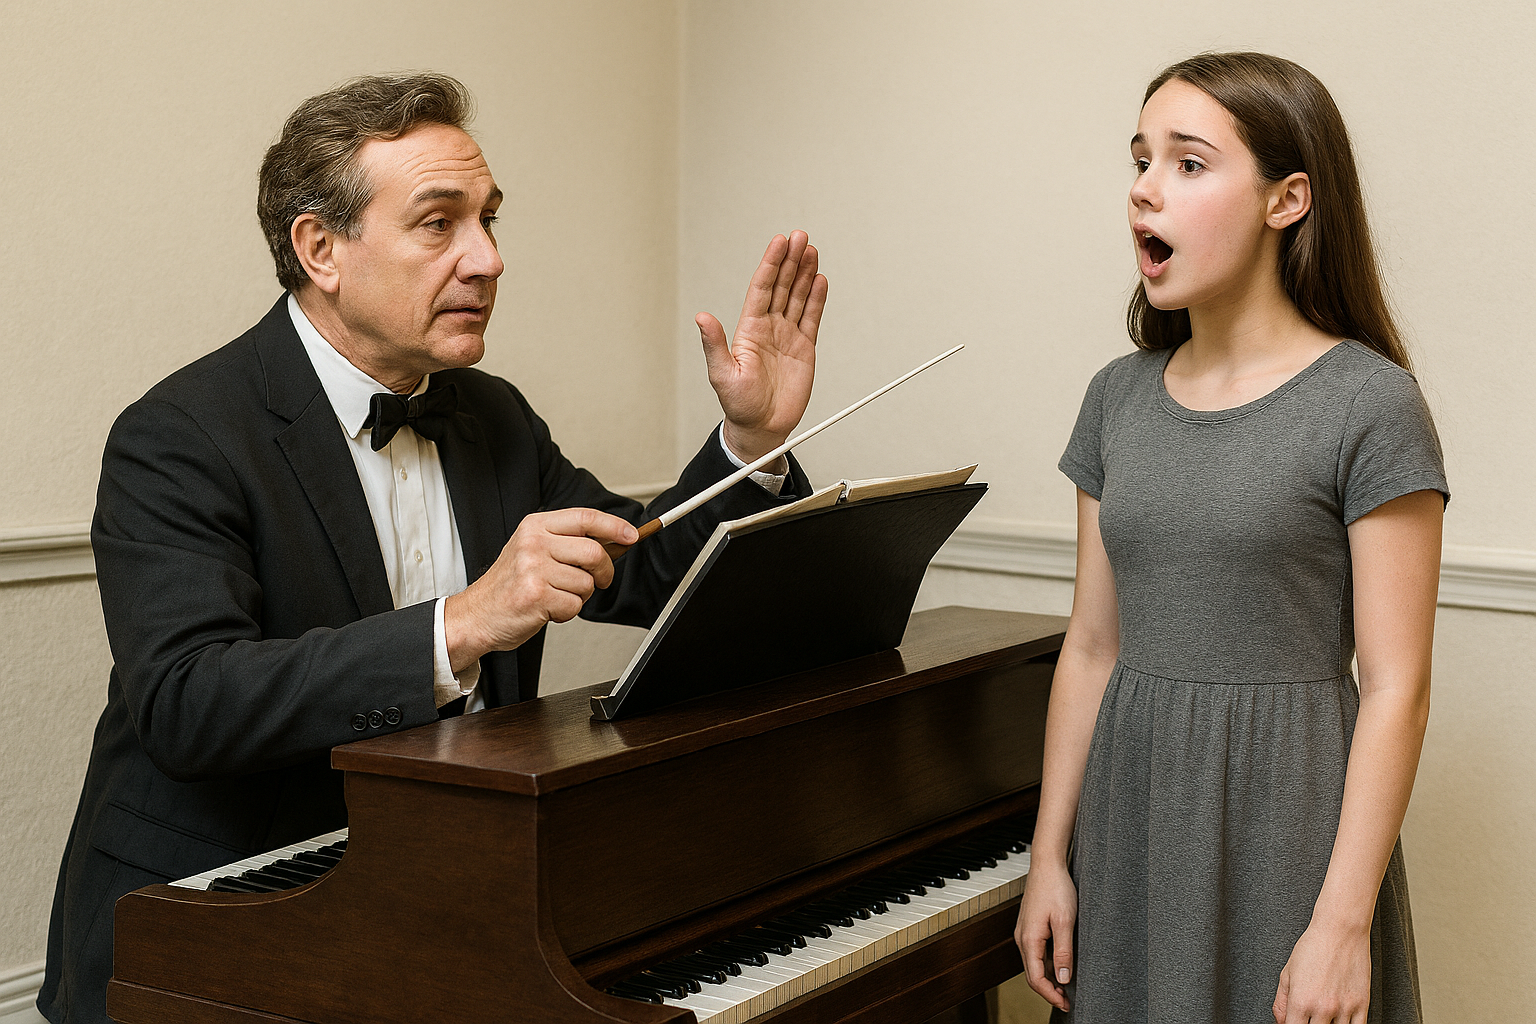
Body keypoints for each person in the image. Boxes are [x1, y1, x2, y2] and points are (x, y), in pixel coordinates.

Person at [40, 73, 828, 1024]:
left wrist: (751, 442)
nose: (487, 259)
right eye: (438, 223)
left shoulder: (494, 415)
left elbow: (652, 568)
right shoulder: (179, 434)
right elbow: (187, 704)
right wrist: (461, 625)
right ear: (320, 249)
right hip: (207, 924)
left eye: (488, 220)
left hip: (443, 904)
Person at [1013, 53, 1445, 1024]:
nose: (1144, 188)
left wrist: (1341, 925)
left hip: (1290, 831)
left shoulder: (1370, 404)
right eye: (1140, 160)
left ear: (1286, 200)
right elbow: (1092, 647)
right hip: (1130, 823)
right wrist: (1049, 858)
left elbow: (1398, 689)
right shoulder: (1115, 399)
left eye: (1188, 162)